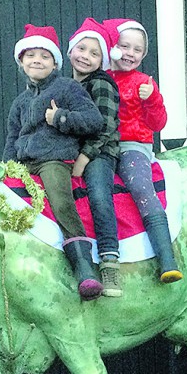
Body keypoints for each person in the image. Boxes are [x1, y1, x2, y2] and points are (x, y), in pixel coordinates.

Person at [3, 24, 105, 300]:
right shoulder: (20, 102)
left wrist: (61, 118)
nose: (37, 60)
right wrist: (6, 169)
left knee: (61, 202)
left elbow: (95, 121)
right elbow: (12, 138)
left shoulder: (68, 88)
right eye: (31, 55)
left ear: (55, 62)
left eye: (44, 56)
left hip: (53, 160)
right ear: (21, 61)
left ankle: (85, 268)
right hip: (24, 163)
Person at [104, 17, 181, 283]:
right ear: (113, 47)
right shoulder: (100, 79)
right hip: (102, 147)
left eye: (137, 50)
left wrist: (152, 99)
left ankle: (167, 258)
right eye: (125, 46)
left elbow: (158, 123)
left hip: (132, 146)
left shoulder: (143, 82)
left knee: (141, 189)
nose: (130, 54)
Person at [67, 17, 123, 297]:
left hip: (100, 152)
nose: (86, 56)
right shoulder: (65, 87)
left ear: (103, 60)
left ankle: (110, 260)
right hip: (72, 153)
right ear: (70, 51)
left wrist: (85, 158)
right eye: (81, 49)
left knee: (100, 194)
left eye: (94, 53)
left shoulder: (102, 84)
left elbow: (106, 126)